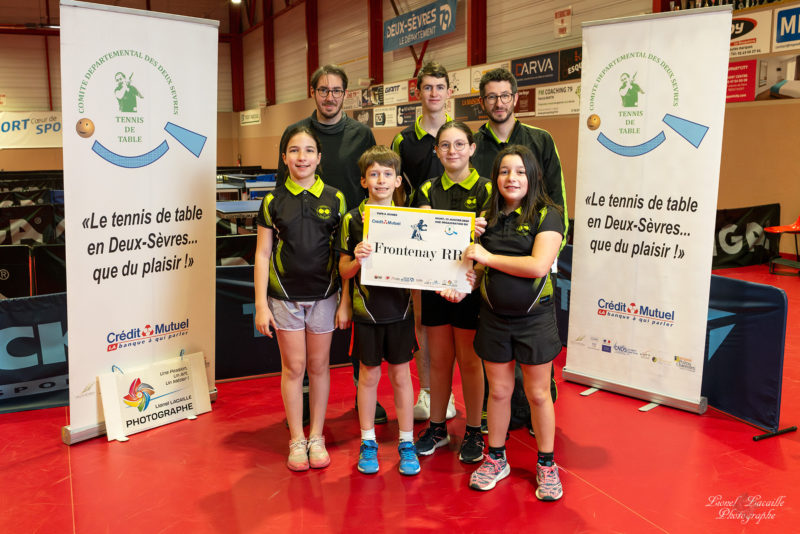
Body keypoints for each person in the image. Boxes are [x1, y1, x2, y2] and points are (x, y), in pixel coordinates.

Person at [276, 64, 386, 425]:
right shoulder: (298, 133)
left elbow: (374, 178)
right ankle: (306, 397)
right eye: (323, 90)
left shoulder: (362, 134)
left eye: (336, 90)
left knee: (358, 318)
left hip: (353, 241)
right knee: (309, 331)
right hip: (311, 244)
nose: (330, 97)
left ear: (345, 94)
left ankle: (362, 391)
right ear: (314, 93)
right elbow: (282, 189)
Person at [464, 145, 564, 501]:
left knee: (538, 393)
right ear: (496, 178)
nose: (512, 178)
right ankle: (496, 458)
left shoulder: (548, 214)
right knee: (499, 392)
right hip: (493, 317)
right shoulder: (486, 216)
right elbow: (478, 266)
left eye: (520, 171)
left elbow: (537, 265)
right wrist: (467, 279)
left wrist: (488, 257)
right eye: (505, 171)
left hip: (534, 319)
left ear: (532, 176)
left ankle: (547, 464)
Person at [472, 67, 568, 431]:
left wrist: (550, 246)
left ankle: (533, 414)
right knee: (498, 369)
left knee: (536, 364)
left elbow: (557, 197)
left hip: (536, 254)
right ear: (482, 102)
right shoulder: (474, 143)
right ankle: (499, 423)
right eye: (491, 96)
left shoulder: (541, 140)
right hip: (492, 263)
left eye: (504, 96)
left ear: (515, 98)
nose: (498, 102)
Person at [254, 125, 347, 471]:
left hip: (325, 296)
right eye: (294, 150)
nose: (302, 157)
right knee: (294, 368)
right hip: (284, 297)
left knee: (319, 367)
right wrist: (261, 305)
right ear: (284, 158)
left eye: (309, 151)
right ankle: (297, 438)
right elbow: (263, 254)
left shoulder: (336, 198)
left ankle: (317, 436)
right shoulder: (272, 201)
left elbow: (344, 253)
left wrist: (345, 301)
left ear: (319, 158)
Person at [337, 146, 420, 476]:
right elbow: (343, 269)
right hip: (367, 313)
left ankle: (407, 442)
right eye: (374, 174)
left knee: (401, 376)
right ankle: (368, 440)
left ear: (397, 180)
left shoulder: (411, 220)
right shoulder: (352, 219)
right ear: (363, 180)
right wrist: (357, 259)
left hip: (401, 312)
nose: (381, 180)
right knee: (368, 376)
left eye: (387, 174)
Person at [412, 121, 489, 464]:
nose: (452, 150)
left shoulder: (488, 189)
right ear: (436, 151)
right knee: (440, 360)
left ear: (472, 149)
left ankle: (473, 430)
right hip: (436, 287)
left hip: (471, 286)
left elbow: (490, 243)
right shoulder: (427, 189)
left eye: (459, 144)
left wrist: (474, 278)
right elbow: (426, 237)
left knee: (470, 361)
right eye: (445, 145)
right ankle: (438, 427)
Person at [391, 61, 456, 423]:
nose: (433, 93)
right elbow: (395, 190)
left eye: (439, 87)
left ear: (449, 92)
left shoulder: (459, 135)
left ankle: (451, 393)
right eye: (427, 87)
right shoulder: (403, 140)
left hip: (455, 244)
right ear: (418, 93)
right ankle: (429, 392)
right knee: (422, 321)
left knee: (458, 324)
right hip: (418, 243)